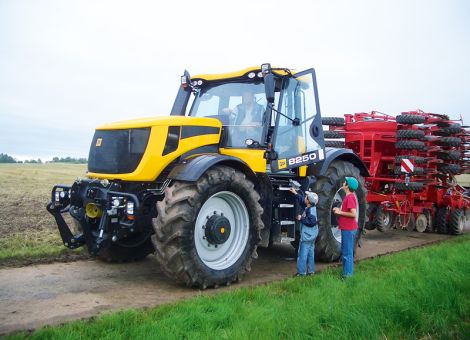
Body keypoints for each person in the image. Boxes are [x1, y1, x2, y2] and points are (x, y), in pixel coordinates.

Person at [333, 176, 359, 279]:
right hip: (347, 228)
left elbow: (353, 214)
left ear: (347, 186)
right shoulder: (349, 196)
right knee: (347, 252)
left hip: (348, 229)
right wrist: (338, 209)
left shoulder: (350, 197)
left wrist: (339, 212)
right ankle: (347, 273)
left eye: (345, 182)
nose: (343, 183)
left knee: (347, 253)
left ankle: (347, 276)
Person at [289, 187, 319, 277]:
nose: (305, 197)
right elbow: (302, 201)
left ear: (308, 201)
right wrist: (296, 193)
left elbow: (311, 222)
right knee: (310, 253)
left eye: (306, 197)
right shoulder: (310, 207)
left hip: (307, 236)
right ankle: (311, 271)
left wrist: (301, 218)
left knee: (302, 254)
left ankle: (301, 273)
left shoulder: (310, 211)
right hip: (312, 236)